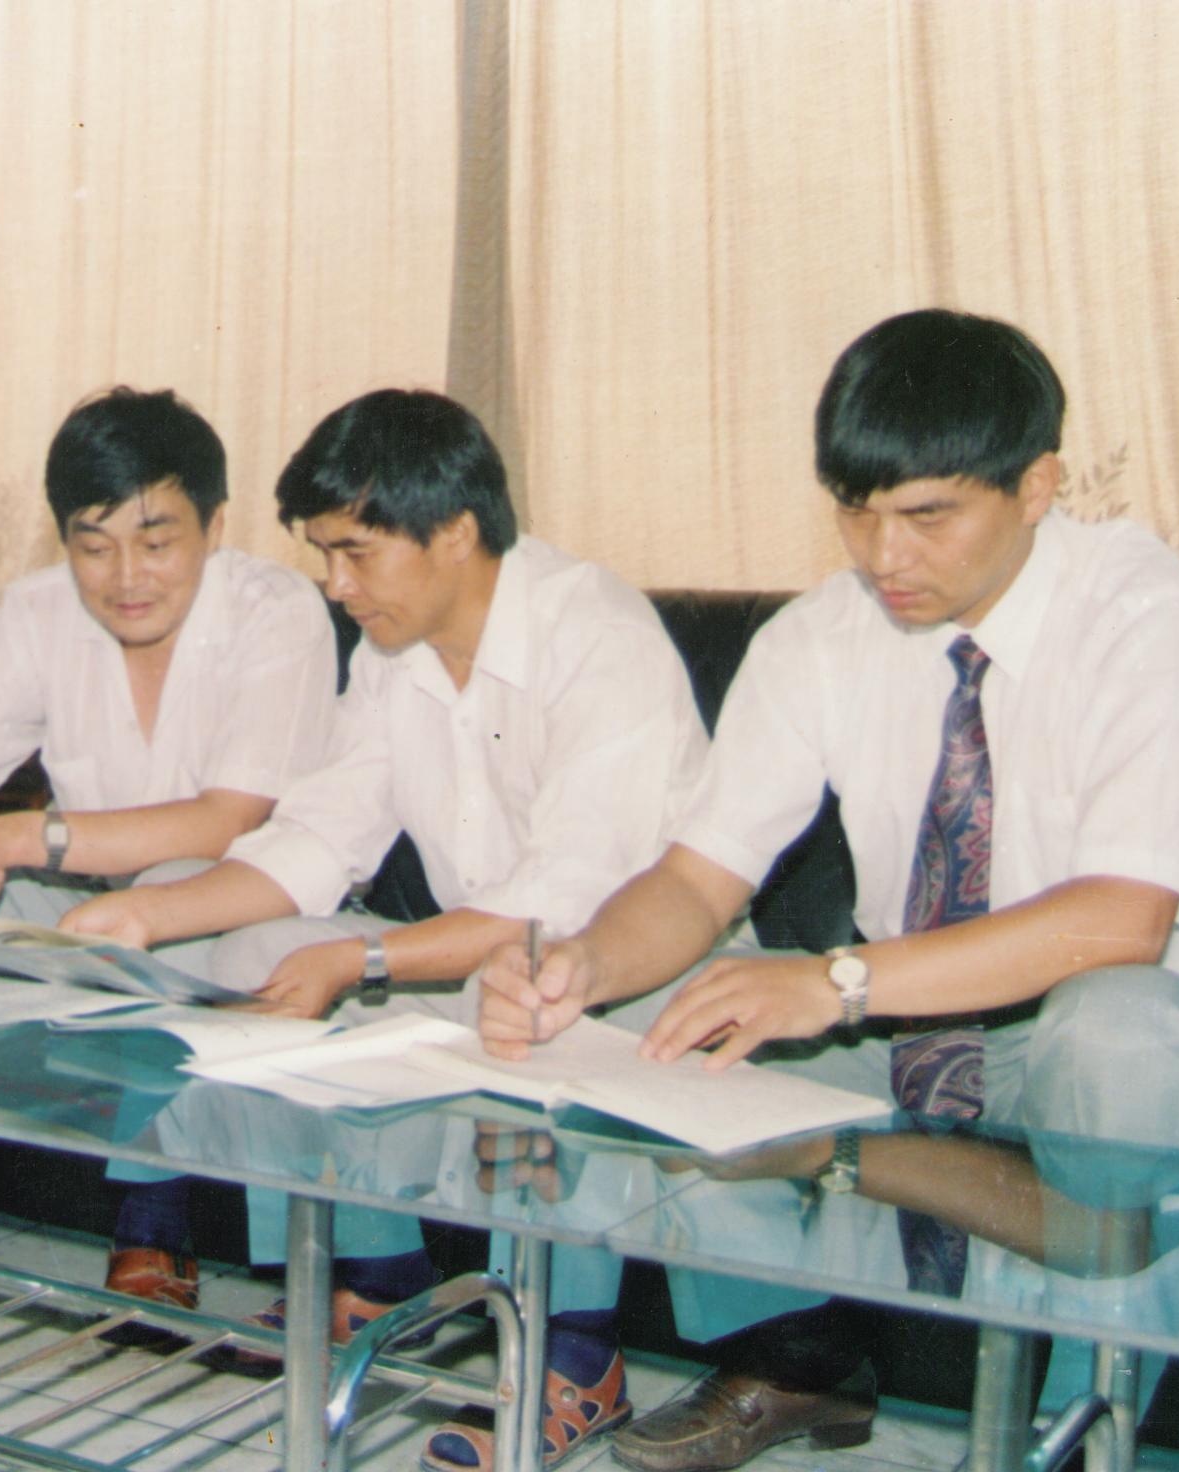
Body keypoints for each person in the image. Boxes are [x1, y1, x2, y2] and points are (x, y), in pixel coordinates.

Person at [478, 309, 1179, 1472]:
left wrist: (837, 980)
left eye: (927, 515)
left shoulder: (1140, 611)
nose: (881, 555)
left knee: (1112, 1037)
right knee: (655, 1019)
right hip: (910, 1026)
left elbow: (1125, 918)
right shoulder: (820, 636)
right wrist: (581, 964)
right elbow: (700, 872)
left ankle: (1079, 1430)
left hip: (1159, 1014)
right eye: (855, 511)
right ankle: (798, 1359)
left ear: (1038, 485)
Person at [64, 388, 710, 1470]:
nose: (336, 584)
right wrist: (144, 911)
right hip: (477, 952)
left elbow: (565, 899)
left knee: (520, 990)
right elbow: (322, 834)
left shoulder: (595, 632)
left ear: (454, 531)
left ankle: (575, 1359)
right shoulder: (390, 652)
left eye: (355, 553)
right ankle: (379, 1281)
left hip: (622, 969)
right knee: (247, 954)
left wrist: (362, 955)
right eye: (324, 554)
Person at [0, 386, 339, 1311]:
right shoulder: (38, 610)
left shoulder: (276, 610)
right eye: (93, 546)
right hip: (86, 902)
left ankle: (152, 1226)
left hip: (233, 904)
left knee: (171, 883)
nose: (125, 576)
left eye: (156, 541)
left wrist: (13, 837)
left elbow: (228, 819)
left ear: (215, 526)